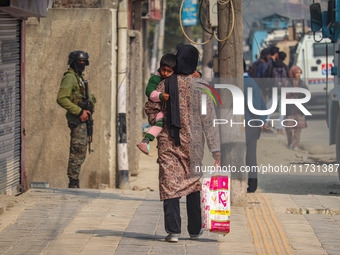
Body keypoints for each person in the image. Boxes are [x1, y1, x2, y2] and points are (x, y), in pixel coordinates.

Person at [145, 45, 221, 243]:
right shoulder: (202, 86)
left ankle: (173, 231)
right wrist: (216, 150)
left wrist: (158, 122)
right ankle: (195, 230)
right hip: (194, 147)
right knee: (193, 185)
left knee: (170, 185)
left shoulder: (165, 84)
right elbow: (209, 120)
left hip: (169, 144)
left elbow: (151, 106)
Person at [137, 54, 201, 155]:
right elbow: (149, 91)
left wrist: (198, 73)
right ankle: (146, 141)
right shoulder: (156, 78)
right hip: (159, 110)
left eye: (169, 71)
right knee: (160, 121)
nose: (165, 73)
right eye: (163, 70)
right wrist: (160, 96)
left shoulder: (179, 77)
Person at [57, 51, 96, 188]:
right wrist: (79, 111)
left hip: (84, 119)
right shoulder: (70, 78)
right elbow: (61, 98)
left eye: (84, 62)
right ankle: (73, 182)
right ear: (73, 62)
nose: (82, 64)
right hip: (78, 119)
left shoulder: (80, 78)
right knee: (77, 150)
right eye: (79, 62)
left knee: (81, 150)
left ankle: (74, 180)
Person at [244, 61, 269, 193]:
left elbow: (253, 105)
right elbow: (262, 105)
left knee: (239, 155)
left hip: (246, 124)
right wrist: (263, 120)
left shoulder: (243, 83)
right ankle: (252, 185)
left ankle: (245, 184)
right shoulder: (252, 82)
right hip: (253, 125)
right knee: (251, 156)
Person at [285, 66, 308, 150]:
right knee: (289, 127)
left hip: (300, 108)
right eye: (297, 73)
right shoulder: (287, 82)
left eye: (299, 73)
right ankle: (290, 142)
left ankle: (295, 144)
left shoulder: (302, 83)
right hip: (290, 107)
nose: (298, 74)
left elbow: (307, 92)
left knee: (298, 128)